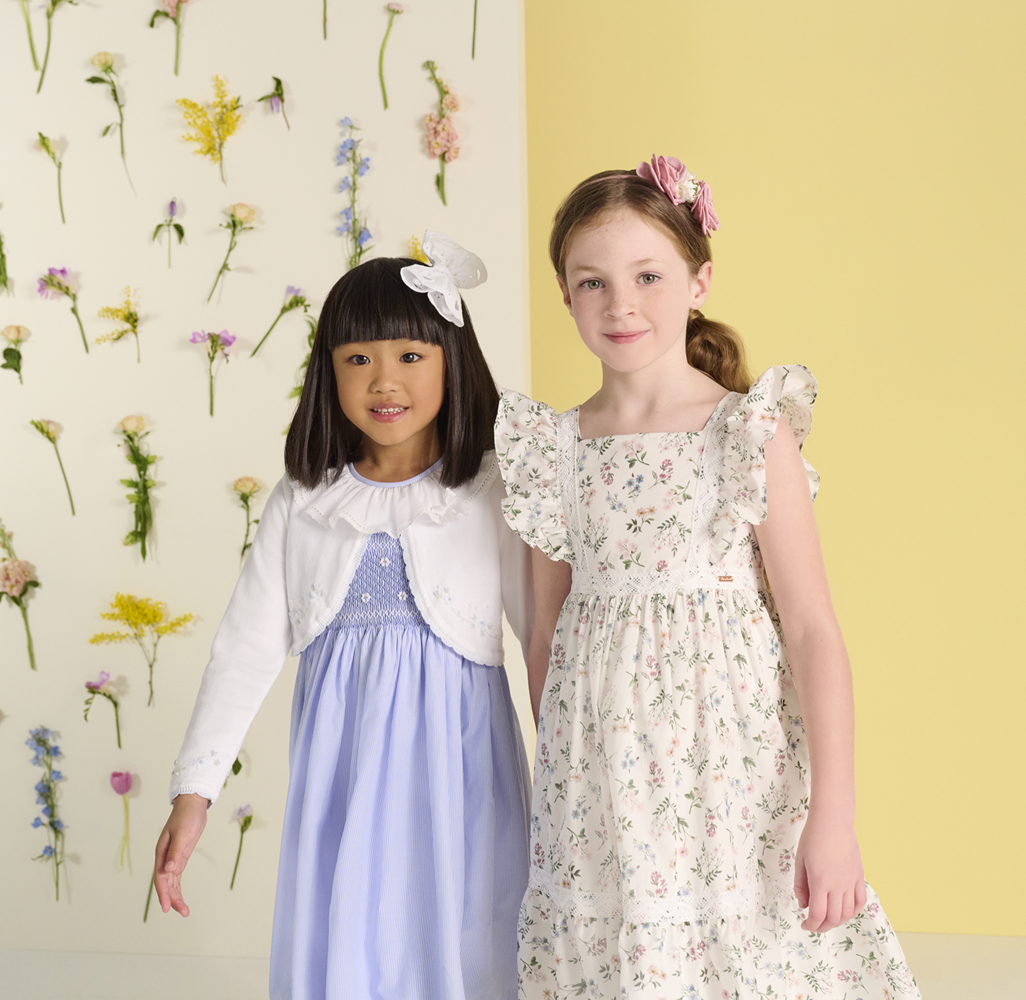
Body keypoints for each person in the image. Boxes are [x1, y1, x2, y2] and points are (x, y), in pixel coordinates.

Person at [494, 158, 920, 998]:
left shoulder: (747, 434)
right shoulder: (553, 451)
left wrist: (833, 815)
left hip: (733, 784)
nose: (621, 305)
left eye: (648, 276)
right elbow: (546, 639)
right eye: (593, 283)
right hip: (601, 792)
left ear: (698, 281)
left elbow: (812, 630)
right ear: (565, 294)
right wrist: (566, 801)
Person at [153, 236, 534, 1000]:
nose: (383, 380)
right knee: (351, 939)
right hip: (343, 771)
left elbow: (547, 636)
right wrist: (194, 793)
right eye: (357, 358)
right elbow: (245, 648)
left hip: (461, 769)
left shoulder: (495, 487)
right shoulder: (306, 499)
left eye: (409, 356)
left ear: (453, 362)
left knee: (466, 933)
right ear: (328, 371)